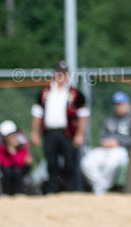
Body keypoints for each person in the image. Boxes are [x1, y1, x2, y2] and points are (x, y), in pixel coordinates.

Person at [30, 60, 89, 193]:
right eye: (58, 73)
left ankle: (72, 190)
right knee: (51, 163)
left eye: (63, 73)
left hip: (68, 133)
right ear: (54, 74)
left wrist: (80, 134)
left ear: (67, 75)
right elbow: (37, 113)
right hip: (50, 132)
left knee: (70, 163)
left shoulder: (75, 93)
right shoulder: (44, 92)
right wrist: (35, 132)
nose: (61, 76)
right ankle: (52, 190)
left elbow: (83, 114)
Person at [80, 91, 131, 195]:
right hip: (104, 148)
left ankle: (101, 189)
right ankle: (102, 187)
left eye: (121, 104)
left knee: (111, 163)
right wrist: (103, 142)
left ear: (128, 104)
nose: (118, 107)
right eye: (116, 104)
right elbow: (101, 136)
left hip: (121, 149)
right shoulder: (110, 120)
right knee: (86, 163)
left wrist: (117, 142)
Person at [0, 120, 33, 196]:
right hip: (8, 167)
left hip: (19, 167)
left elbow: (21, 162)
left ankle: (18, 192)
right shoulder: (0, 144)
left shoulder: (22, 142)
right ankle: (6, 193)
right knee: (7, 171)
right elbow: (3, 162)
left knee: (17, 171)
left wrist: (14, 151)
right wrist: (10, 149)